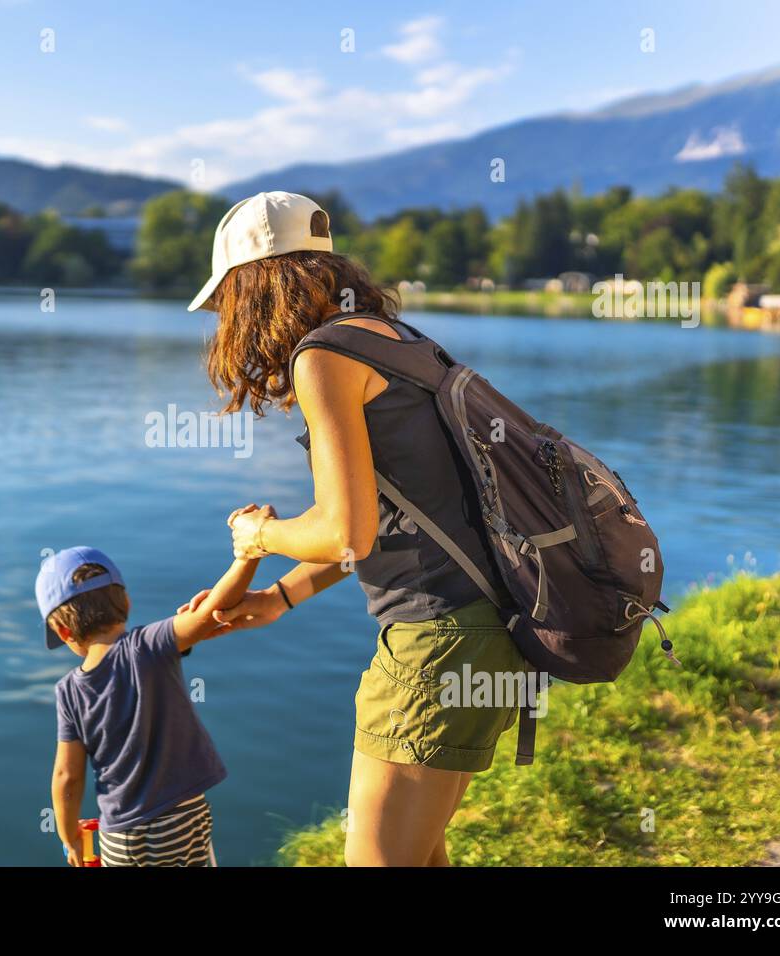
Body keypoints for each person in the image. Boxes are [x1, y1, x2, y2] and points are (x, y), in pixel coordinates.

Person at [182, 191, 529, 867]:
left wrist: (260, 536)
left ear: (256, 285)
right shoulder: (401, 343)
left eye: (224, 300)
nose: (224, 320)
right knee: (420, 857)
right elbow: (386, 519)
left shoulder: (323, 360)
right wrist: (281, 598)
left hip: (437, 645)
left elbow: (347, 531)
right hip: (488, 630)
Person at [39, 544, 262, 867]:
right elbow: (210, 612)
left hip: (119, 834)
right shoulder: (150, 645)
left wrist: (68, 835)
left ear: (63, 632)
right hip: (182, 819)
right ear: (126, 603)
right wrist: (249, 555)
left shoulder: (68, 692)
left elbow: (66, 776)